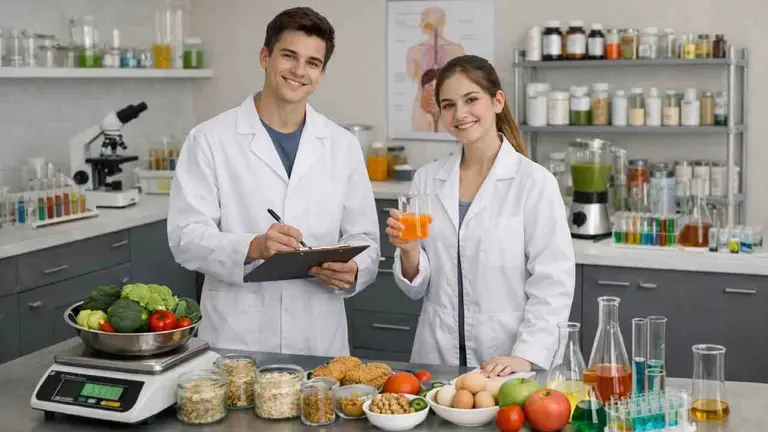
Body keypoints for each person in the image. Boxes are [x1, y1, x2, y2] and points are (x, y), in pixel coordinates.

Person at [167, 7, 380, 356]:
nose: (299, 71)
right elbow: (185, 237)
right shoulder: (209, 139)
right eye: (289, 56)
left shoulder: (342, 145)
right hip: (237, 335)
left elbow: (365, 237)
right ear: (265, 57)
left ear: (322, 73)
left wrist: (354, 269)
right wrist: (253, 247)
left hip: (318, 334)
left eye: (312, 63)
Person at [386, 55, 575, 376]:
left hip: (507, 358)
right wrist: (409, 252)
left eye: (471, 99)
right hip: (436, 357)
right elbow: (416, 289)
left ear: (497, 101)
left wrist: (526, 355)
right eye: (448, 105)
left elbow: (553, 282)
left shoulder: (534, 182)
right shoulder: (427, 179)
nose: (460, 114)